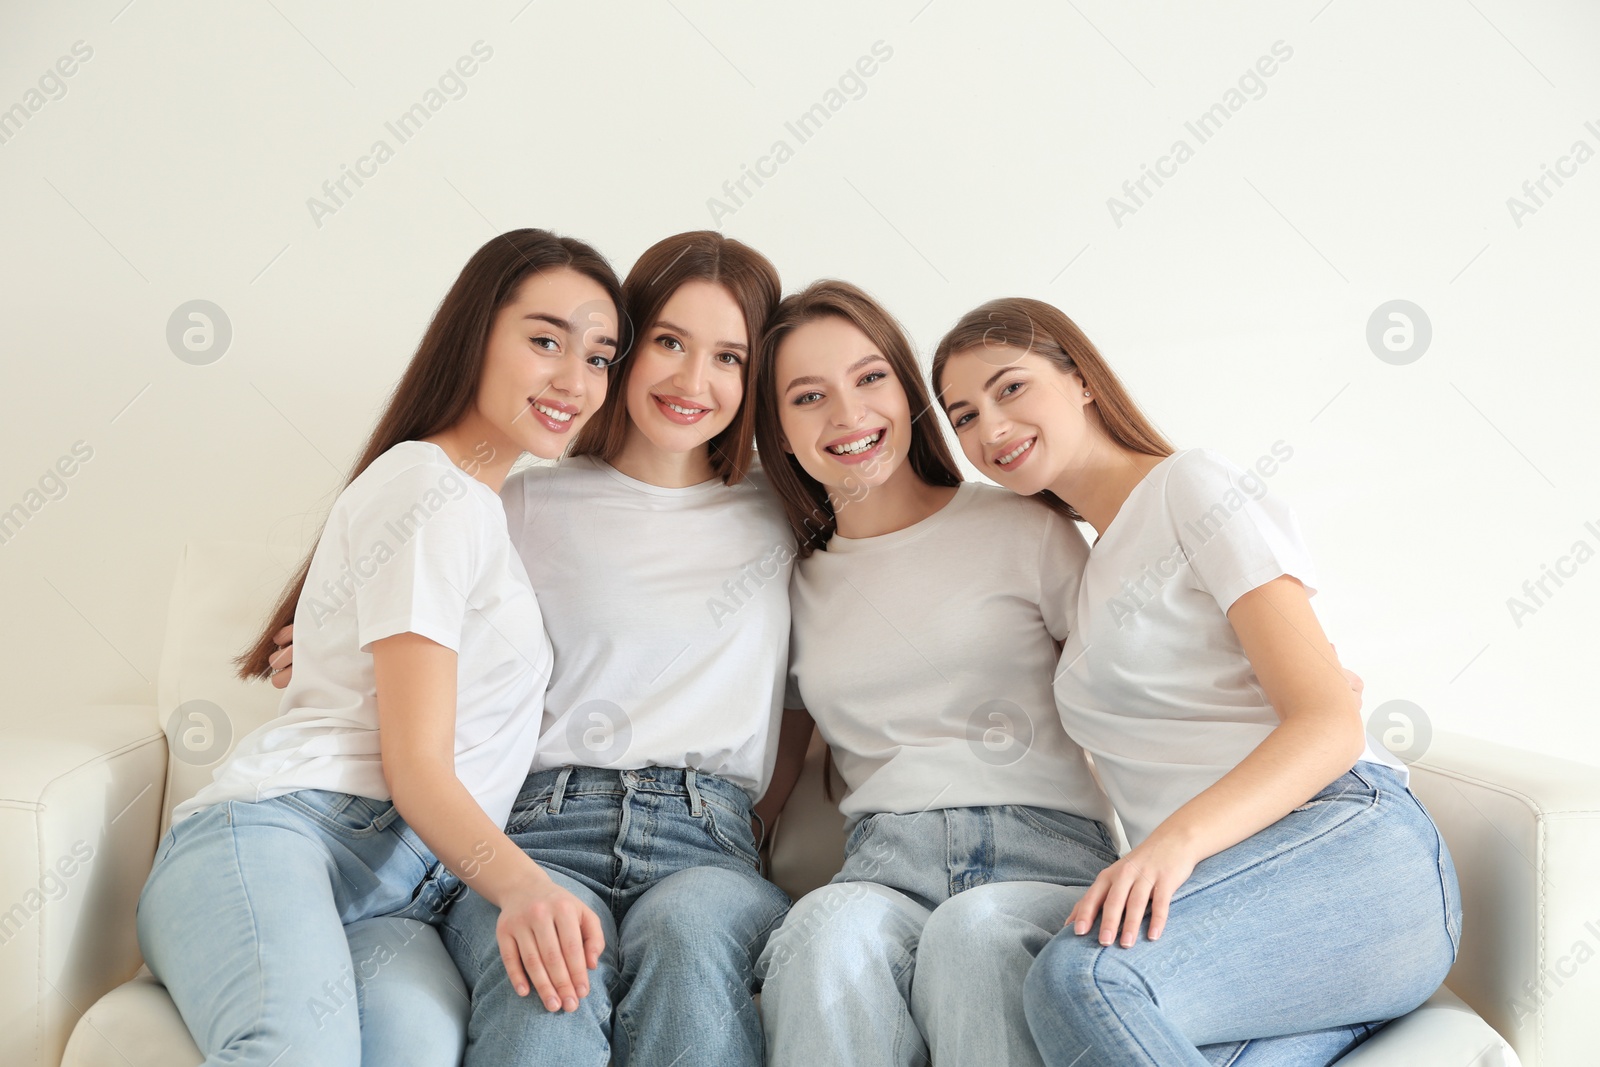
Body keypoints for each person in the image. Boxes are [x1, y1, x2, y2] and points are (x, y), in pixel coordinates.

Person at [270, 231, 808, 1067]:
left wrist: (756, 815)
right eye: (668, 342)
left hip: (707, 836)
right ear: (622, 349)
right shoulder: (514, 498)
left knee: (688, 941)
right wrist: (327, 643)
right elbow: (419, 619)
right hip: (535, 827)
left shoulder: (785, 517)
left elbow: (818, 683)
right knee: (548, 980)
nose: (693, 381)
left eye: (729, 357)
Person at [138, 228, 626, 1067]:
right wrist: (523, 886)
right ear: (475, 334)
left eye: (600, 357)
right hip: (280, 835)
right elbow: (415, 763)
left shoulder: (476, 509)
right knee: (297, 1050)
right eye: (545, 340)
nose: (574, 381)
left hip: (401, 889)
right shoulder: (429, 487)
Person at [933, 297, 1461, 1067]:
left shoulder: (1190, 488)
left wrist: (1168, 847)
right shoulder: (1080, 589)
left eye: (1010, 388)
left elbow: (1328, 722)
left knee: (1084, 977)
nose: (990, 428)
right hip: (1236, 915)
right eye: (964, 416)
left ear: (1079, 378)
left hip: (1354, 850)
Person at [751, 279, 1120, 1067]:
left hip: (1045, 854)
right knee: (821, 932)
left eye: (870, 377)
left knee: (974, 935)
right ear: (778, 432)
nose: (848, 415)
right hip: (886, 864)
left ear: (908, 391)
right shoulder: (793, 585)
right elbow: (773, 764)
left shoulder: (1027, 526)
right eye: (809, 396)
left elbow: (1136, 678)